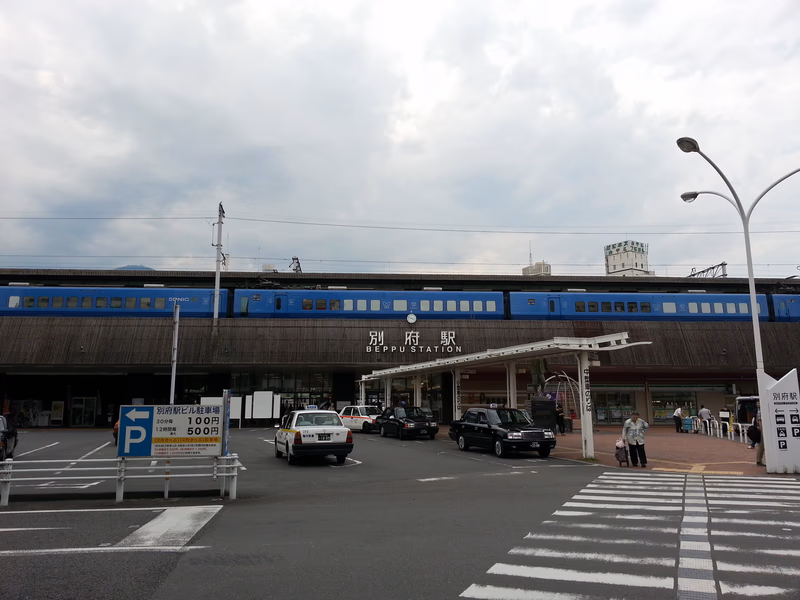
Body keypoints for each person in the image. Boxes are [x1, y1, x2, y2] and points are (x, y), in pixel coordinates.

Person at [755, 402, 765, 466]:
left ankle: (759, 459)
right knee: (762, 445)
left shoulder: (760, 410)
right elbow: (759, 420)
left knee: (761, 445)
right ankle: (759, 460)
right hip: (763, 429)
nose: (758, 405)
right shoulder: (761, 410)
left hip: (762, 428)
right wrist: (761, 429)